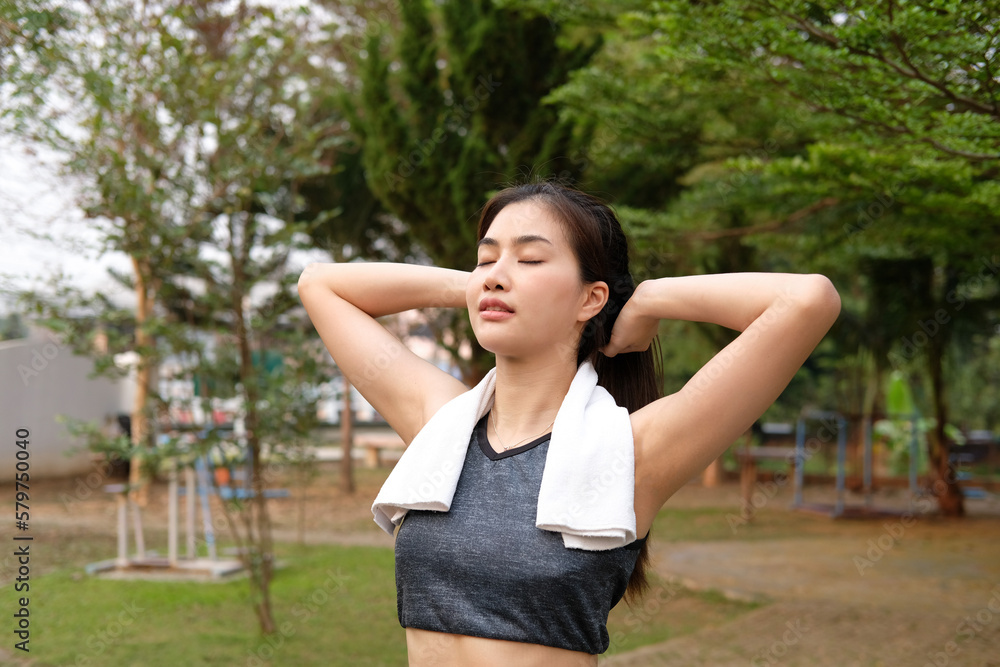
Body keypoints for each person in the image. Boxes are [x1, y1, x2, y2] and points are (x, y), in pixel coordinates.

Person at [297, 181, 841, 666]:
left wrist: (649, 298)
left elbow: (807, 300)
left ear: (591, 297)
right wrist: (476, 284)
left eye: (530, 260)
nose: (497, 277)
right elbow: (320, 284)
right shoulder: (443, 428)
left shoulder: (633, 451)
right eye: (486, 259)